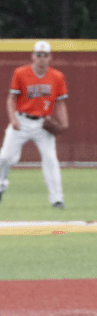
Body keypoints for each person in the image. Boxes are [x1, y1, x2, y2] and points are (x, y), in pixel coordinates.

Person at [0, 40, 69, 209]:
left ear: (50, 57)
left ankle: (57, 199)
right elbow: (11, 99)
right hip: (21, 121)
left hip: (43, 124)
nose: (41, 58)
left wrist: (64, 123)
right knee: (5, 158)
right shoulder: (20, 73)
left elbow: (60, 102)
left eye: (45, 55)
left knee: (51, 159)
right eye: (38, 55)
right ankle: (1, 185)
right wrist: (13, 118)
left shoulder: (57, 76)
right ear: (32, 56)